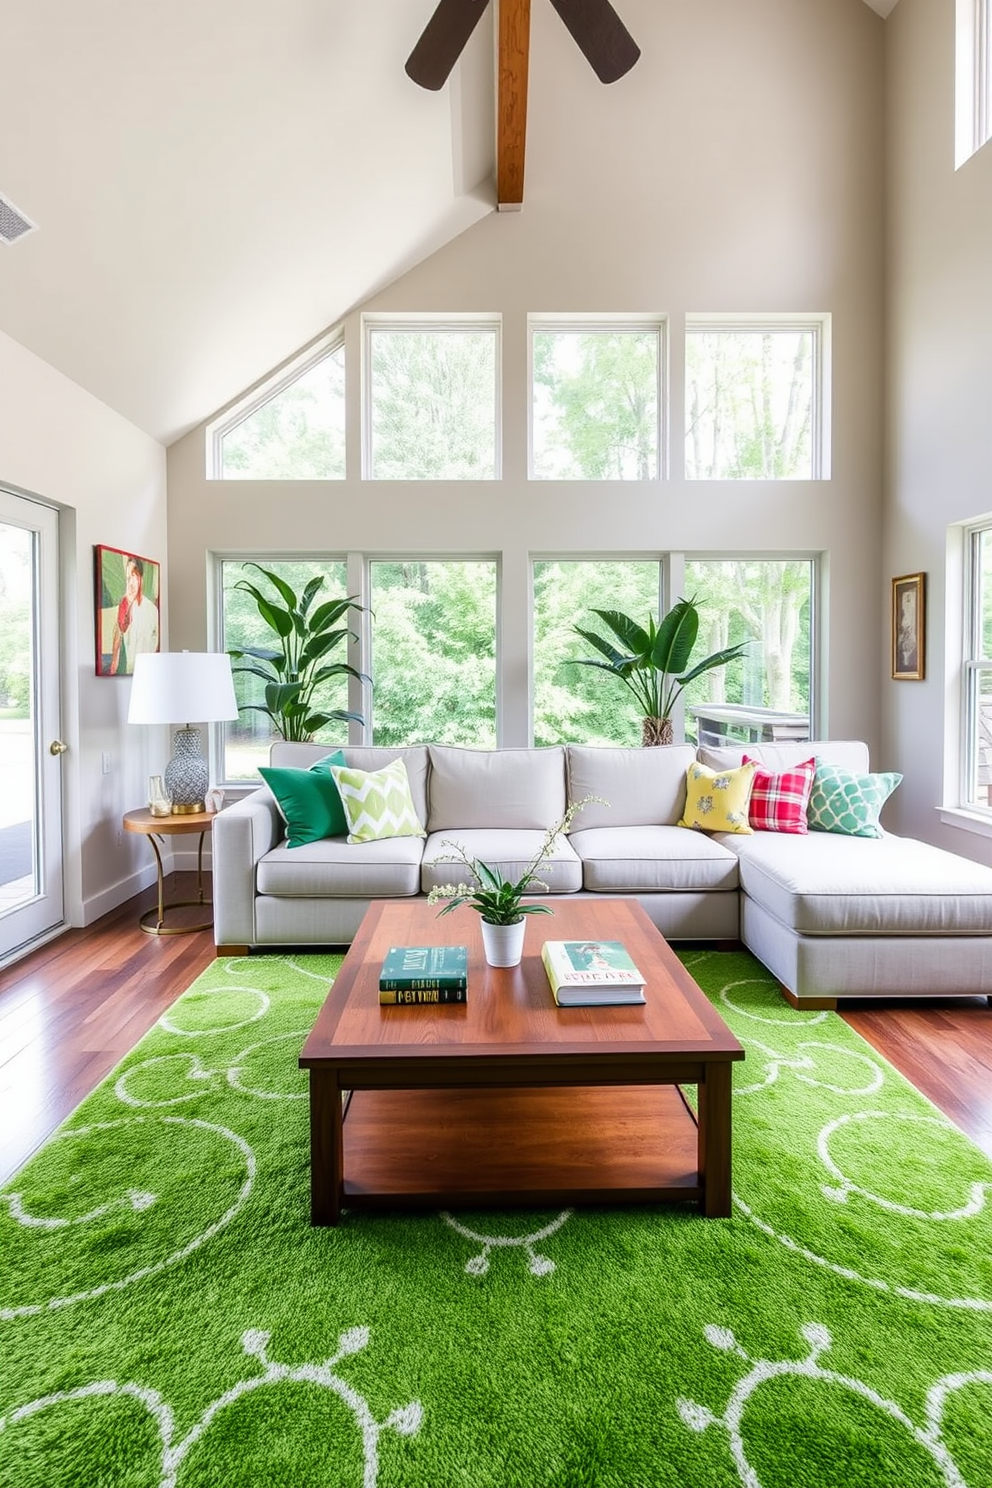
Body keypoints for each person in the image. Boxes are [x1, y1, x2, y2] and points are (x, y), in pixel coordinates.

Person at [110, 557, 159, 674]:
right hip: (130, 669)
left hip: (147, 670)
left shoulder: (151, 610)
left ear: (140, 578)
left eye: (133, 576)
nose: (130, 582)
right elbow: (119, 632)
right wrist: (114, 662)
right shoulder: (125, 605)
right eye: (128, 578)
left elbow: (155, 643)